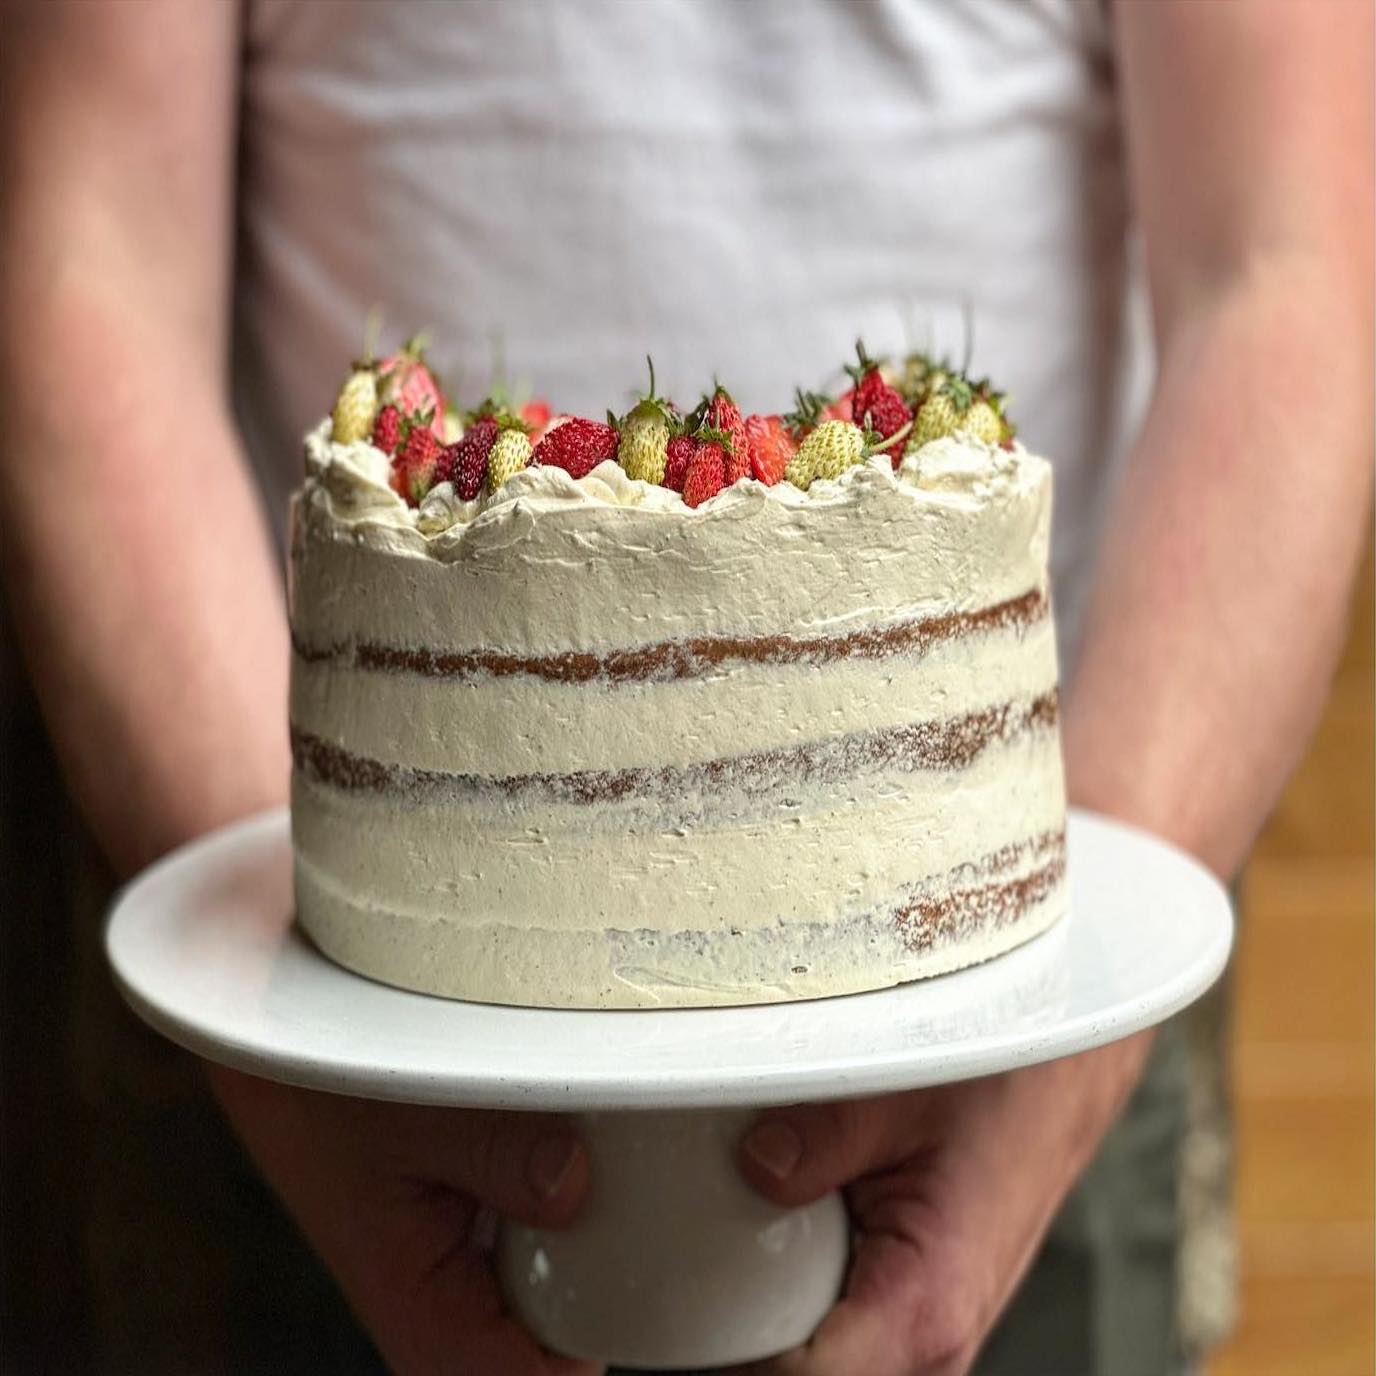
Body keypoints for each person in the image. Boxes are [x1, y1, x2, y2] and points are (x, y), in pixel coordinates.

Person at [0, 2, 1370, 1374]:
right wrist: (290, 1040)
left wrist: (1064, 1043)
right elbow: (90, 258)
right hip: (301, 999)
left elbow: (1289, 263)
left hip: (1013, 1004)